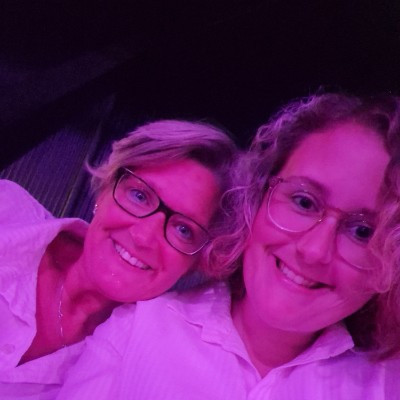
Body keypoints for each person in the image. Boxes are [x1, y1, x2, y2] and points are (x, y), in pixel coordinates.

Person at [57, 93, 400, 399]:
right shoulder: (136, 332)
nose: (314, 250)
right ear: (255, 197)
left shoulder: (386, 385)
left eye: (362, 232)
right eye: (304, 202)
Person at [0, 119, 237, 399]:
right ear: (105, 187)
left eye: (183, 230)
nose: (143, 237)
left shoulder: (130, 377)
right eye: (140, 196)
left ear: (196, 263)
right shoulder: (7, 211)